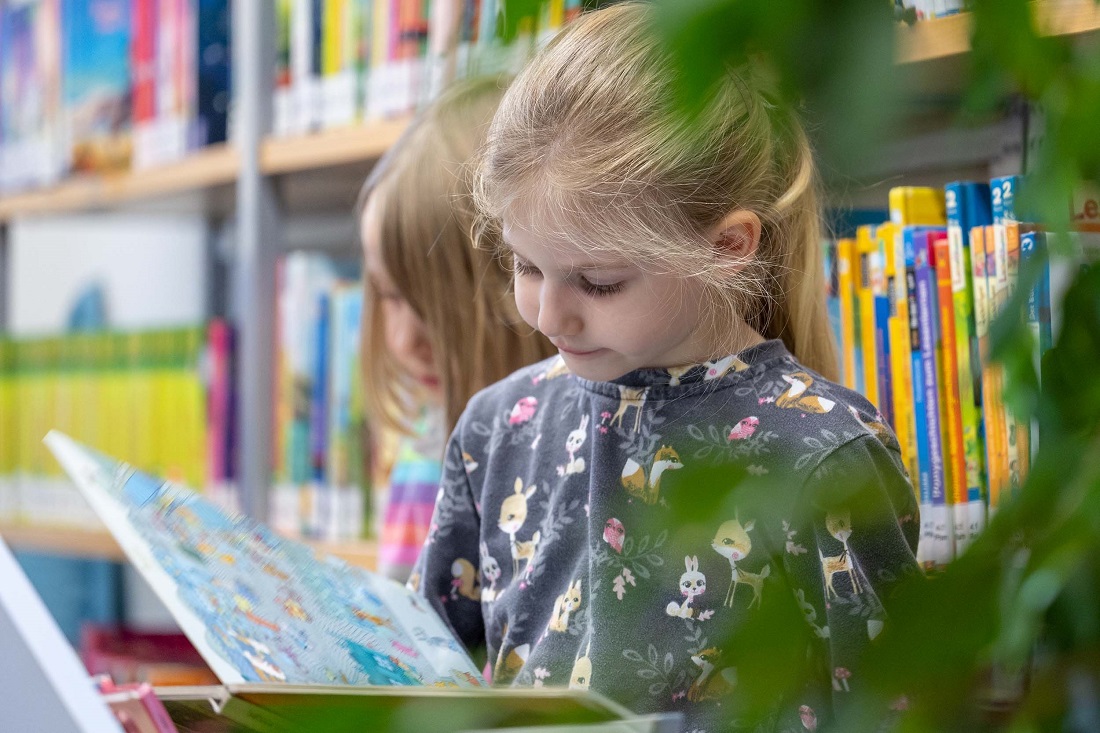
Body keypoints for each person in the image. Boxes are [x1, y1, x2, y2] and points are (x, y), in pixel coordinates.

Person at [411, 4, 922, 731]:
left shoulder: (823, 457)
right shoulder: (496, 428)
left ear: (726, 247)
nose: (549, 316)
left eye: (599, 281)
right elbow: (427, 674)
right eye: (526, 265)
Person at [358, 77, 555, 582]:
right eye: (389, 295)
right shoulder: (427, 453)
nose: (403, 341)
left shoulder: (572, 456)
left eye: (433, 308)